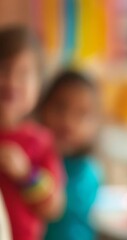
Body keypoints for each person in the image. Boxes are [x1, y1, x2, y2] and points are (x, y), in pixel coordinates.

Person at [0, 26, 65, 240]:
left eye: (24, 73)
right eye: (4, 68)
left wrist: (26, 174)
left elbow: (54, 207)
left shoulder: (40, 141)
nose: (12, 80)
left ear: (39, 87)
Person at [39, 70, 102, 240]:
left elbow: (53, 206)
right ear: (42, 106)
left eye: (81, 114)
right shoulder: (33, 158)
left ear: (95, 124)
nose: (68, 120)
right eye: (60, 107)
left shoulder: (87, 173)